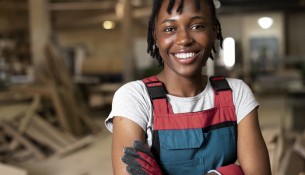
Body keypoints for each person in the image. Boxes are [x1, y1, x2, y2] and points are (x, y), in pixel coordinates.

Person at [105, 0, 271, 174]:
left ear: (213, 30)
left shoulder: (236, 93)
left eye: (197, 26)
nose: (184, 39)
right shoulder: (135, 97)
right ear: (155, 36)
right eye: (169, 29)